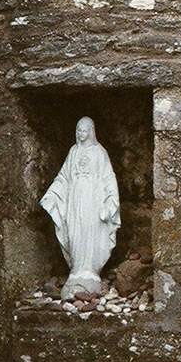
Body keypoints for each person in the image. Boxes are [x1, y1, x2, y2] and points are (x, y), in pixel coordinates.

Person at [40, 116, 121, 299]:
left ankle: (90, 271)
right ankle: (76, 270)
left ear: (91, 132)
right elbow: (63, 177)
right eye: (79, 131)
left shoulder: (100, 153)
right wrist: (53, 194)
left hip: (93, 200)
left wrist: (110, 201)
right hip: (74, 200)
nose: (82, 135)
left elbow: (108, 178)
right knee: (74, 233)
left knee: (91, 232)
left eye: (85, 131)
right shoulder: (73, 151)